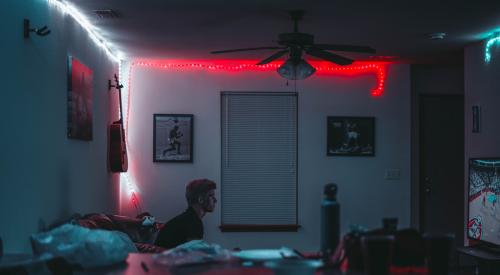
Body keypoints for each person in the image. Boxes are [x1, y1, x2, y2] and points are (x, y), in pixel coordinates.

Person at [155, 179, 217, 249]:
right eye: (211, 196)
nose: (215, 200)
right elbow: (194, 256)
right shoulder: (193, 223)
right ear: (200, 200)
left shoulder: (188, 219)